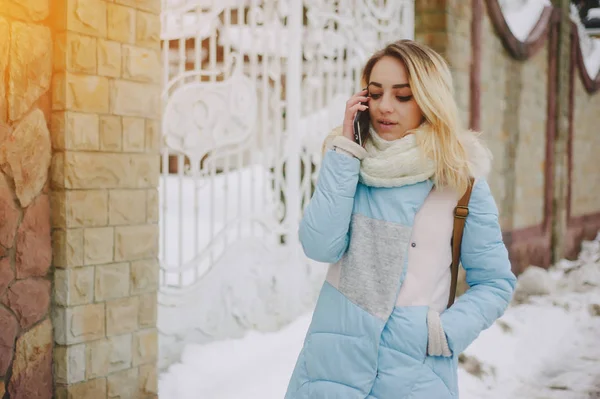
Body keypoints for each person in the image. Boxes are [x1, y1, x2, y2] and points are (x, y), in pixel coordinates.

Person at [284, 40, 517, 399]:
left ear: (429, 99)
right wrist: (345, 151)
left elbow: (496, 282)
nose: (384, 107)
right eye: (375, 94)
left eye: (402, 96)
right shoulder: (351, 165)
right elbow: (319, 245)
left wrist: (441, 332)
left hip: (413, 374)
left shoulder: (459, 180)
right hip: (331, 369)